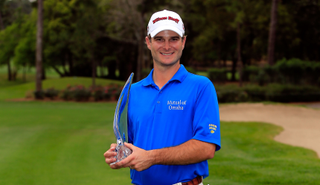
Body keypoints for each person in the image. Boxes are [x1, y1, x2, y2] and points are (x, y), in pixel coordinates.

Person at [104, 9, 221, 185]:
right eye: (159, 39)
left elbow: (206, 148)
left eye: (173, 39)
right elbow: (135, 147)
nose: (167, 46)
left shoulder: (201, 87)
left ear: (183, 42)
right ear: (148, 42)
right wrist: (121, 153)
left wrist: (151, 157)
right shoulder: (133, 92)